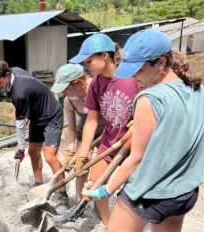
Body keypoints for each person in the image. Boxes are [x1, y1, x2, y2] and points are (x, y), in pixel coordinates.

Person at [82, 30, 204, 232]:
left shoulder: (149, 99)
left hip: (151, 192)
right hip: (185, 192)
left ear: (161, 63)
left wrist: (107, 190)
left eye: (138, 70)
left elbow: (136, 159)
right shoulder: (200, 90)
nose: (133, 76)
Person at [69, 33, 140, 232]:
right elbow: (91, 121)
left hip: (134, 145)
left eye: (90, 60)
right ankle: (107, 222)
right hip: (110, 142)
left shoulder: (133, 77)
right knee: (94, 185)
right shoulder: (96, 83)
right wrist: (82, 153)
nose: (86, 66)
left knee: (133, 191)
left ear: (105, 55)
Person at [0, 60, 69, 214]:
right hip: (36, 114)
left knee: (50, 156)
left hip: (51, 115)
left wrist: (20, 149)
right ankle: (38, 185)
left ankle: (63, 194)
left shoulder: (19, 94)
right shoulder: (15, 70)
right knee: (33, 152)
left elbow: (20, 124)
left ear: (7, 74)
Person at [51, 63, 105, 202]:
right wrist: (70, 152)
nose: (63, 93)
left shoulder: (98, 87)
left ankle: (99, 203)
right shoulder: (69, 101)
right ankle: (80, 201)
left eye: (65, 88)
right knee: (81, 167)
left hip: (107, 129)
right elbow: (71, 128)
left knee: (101, 168)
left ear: (78, 82)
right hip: (85, 129)